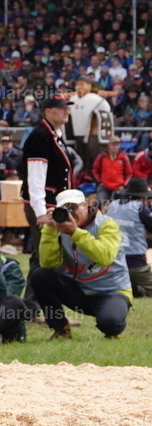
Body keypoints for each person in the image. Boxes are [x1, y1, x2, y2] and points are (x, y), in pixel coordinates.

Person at [31, 189, 131, 339]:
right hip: (80, 291)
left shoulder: (106, 224)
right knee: (40, 275)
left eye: (74, 208)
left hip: (111, 291)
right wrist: (50, 230)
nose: (70, 214)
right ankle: (61, 329)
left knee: (110, 324)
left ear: (85, 205)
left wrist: (75, 233)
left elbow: (105, 258)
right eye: (65, 209)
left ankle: (113, 322)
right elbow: (48, 264)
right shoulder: (60, 226)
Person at [21, 95, 74, 308]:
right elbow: (35, 179)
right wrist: (41, 212)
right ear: (48, 112)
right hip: (44, 207)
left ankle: (31, 306)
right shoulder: (40, 137)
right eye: (62, 108)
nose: (66, 111)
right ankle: (50, 308)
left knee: (41, 256)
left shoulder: (53, 135)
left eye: (67, 107)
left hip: (51, 205)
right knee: (51, 256)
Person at [105, 177, 152, 297]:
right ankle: (136, 289)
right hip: (136, 263)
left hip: (114, 263)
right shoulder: (140, 208)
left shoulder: (113, 205)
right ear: (142, 197)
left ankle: (130, 286)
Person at [92, 135, 132, 206]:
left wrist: (124, 185)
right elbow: (94, 170)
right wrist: (99, 182)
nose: (115, 147)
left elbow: (129, 173)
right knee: (99, 202)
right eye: (113, 144)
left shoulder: (123, 157)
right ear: (109, 145)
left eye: (117, 145)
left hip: (118, 187)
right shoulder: (102, 156)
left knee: (116, 205)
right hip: (104, 186)